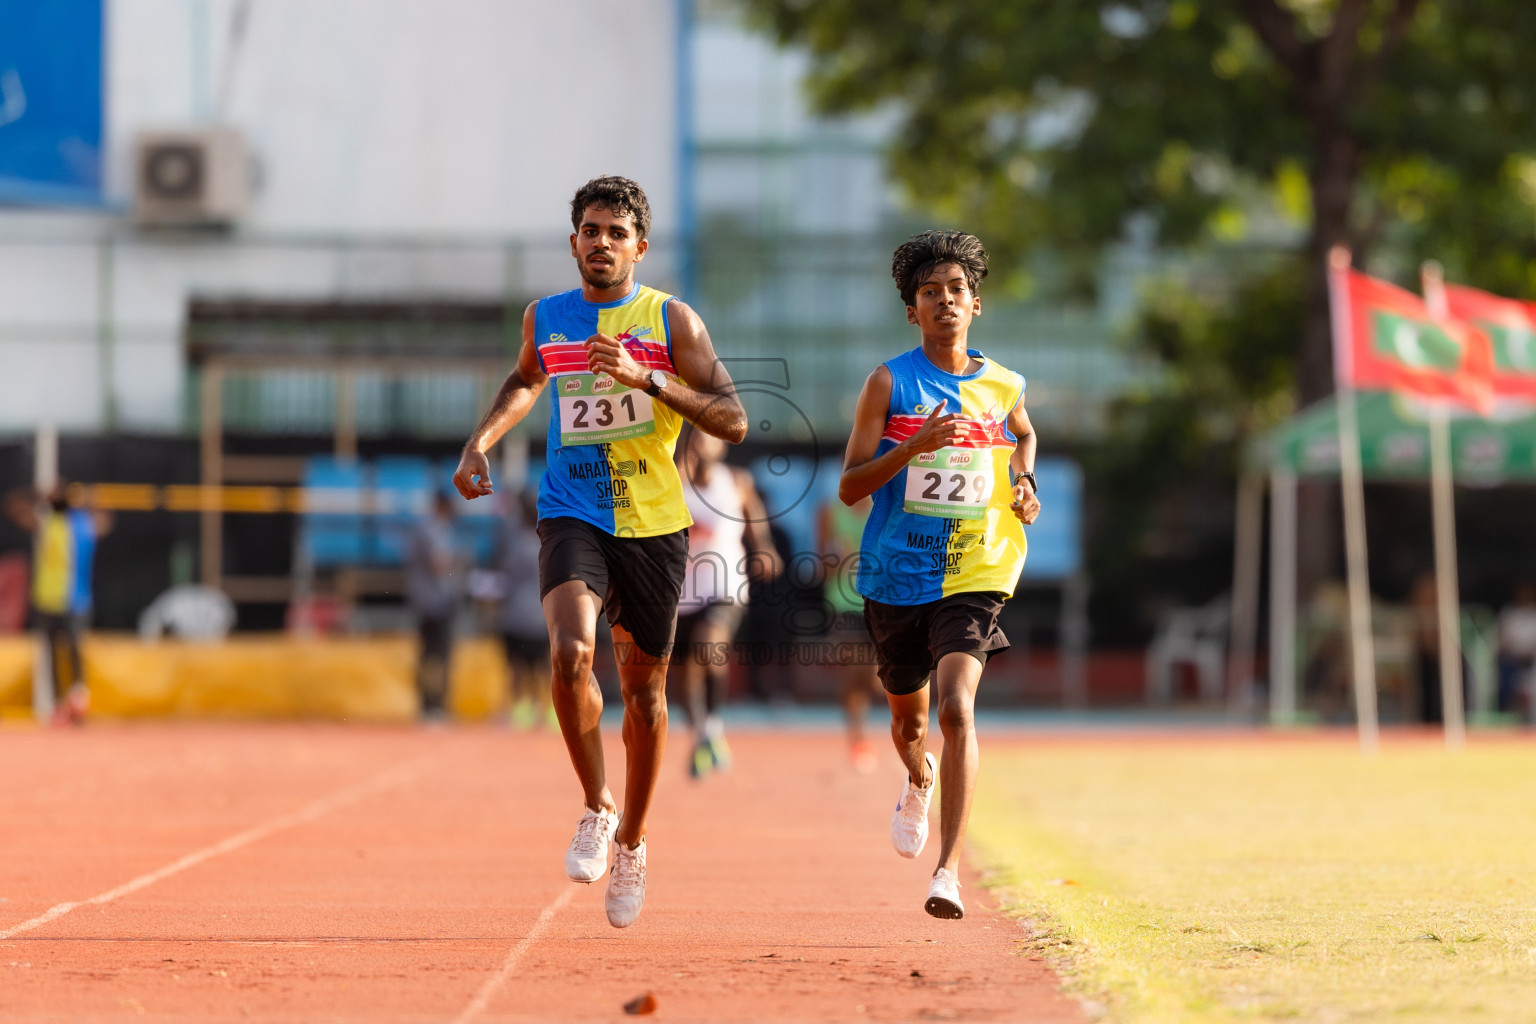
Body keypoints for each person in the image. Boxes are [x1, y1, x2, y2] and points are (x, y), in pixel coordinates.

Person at [452, 176, 747, 929]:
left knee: (645, 697)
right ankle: (596, 804)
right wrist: (480, 440)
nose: (602, 243)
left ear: (640, 247)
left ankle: (634, 842)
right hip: (571, 511)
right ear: (574, 241)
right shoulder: (546, 316)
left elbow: (733, 419)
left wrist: (649, 378)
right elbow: (527, 379)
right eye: (591, 230)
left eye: (617, 233)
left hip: (652, 524)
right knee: (571, 653)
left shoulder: (672, 320)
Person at [838, 230, 1040, 920]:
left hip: (977, 566)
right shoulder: (888, 383)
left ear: (976, 303)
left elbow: (1023, 432)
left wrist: (1024, 481)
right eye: (931, 292)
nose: (945, 300)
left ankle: (947, 872)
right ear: (912, 311)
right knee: (910, 723)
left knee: (957, 708)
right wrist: (914, 444)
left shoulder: (1003, 384)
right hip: (897, 572)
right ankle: (918, 778)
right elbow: (850, 486)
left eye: (957, 289)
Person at [674, 425, 779, 778]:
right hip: (683, 592)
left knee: (709, 645)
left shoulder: (736, 480)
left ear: (721, 446)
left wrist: (763, 546)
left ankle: (712, 728)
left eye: (711, 437)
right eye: (698, 437)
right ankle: (702, 737)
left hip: (727, 584)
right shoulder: (673, 482)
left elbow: (754, 513)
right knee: (686, 673)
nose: (704, 443)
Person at [8, 483, 110, 724]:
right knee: (53, 656)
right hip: (48, 602)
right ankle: (59, 704)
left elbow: (103, 521)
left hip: (75, 601)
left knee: (73, 652)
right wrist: (38, 495)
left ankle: (77, 700)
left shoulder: (80, 525)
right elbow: (14, 506)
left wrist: (91, 500)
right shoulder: (49, 524)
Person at [817, 492, 881, 772]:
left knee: (875, 681)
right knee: (854, 673)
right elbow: (821, 568)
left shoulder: (885, 507)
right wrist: (835, 558)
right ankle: (858, 739)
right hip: (843, 604)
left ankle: (872, 733)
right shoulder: (830, 512)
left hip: (881, 602)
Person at [494, 490, 554, 730]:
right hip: (535, 614)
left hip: (519, 614)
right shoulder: (544, 540)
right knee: (540, 666)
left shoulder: (515, 541)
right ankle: (543, 708)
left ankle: (523, 709)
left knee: (519, 666)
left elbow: (501, 570)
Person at [407, 491, 460, 721]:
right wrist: (457, 564)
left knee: (435, 656)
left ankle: (434, 704)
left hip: (435, 601)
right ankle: (431, 705)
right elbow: (439, 564)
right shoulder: (432, 530)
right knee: (434, 656)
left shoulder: (438, 529)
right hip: (433, 602)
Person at [1497, 580, 1536, 716]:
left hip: (1531, 662)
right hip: (1511, 661)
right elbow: (1502, 640)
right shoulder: (1509, 613)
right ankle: (1508, 715)